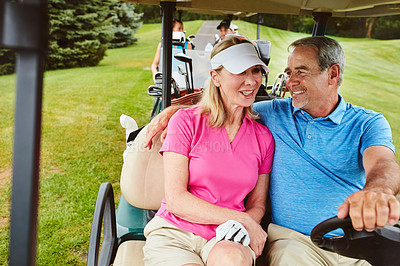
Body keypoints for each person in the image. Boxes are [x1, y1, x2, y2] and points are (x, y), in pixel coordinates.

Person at [145, 36, 400, 265]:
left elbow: (383, 163)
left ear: (333, 74)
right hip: (296, 244)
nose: (290, 83)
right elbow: (222, 98)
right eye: (288, 73)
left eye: (301, 72)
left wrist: (378, 190)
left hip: (356, 243)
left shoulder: (367, 122)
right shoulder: (275, 114)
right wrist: (176, 110)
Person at [143, 37, 275, 266]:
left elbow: (258, 205)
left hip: (228, 235)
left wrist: (244, 223)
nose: (251, 81)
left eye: (255, 71)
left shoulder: (263, 137)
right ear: (216, 77)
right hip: (176, 232)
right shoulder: (186, 122)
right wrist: (241, 218)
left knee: (233, 260)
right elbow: (176, 200)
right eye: (239, 72)